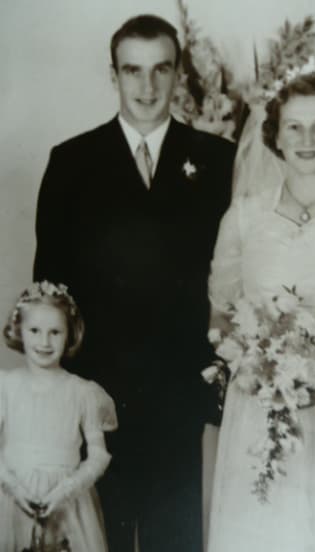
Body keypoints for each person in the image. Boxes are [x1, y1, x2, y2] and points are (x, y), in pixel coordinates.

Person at [33, 14, 236, 552]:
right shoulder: (71, 161)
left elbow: (237, 274)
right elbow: (50, 290)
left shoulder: (219, 161)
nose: (147, 87)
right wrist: (66, 390)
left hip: (181, 385)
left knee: (177, 535)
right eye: (133, 71)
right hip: (99, 391)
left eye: (160, 70)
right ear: (114, 75)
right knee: (104, 535)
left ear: (177, 75)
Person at [207, 69, 315, 552]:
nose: (307, 139)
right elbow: (220, 315)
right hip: (260, 409)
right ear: (274, 136)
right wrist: (256, 371)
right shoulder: (245, 215)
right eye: (293, 127)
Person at [0, 280, 117, 551]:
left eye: (55, 332)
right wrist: (15, 490)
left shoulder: (83, 391)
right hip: (12, 498)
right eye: (35, 331)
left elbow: (98, 454)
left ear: (69, 335)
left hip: (68, 502)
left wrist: (66, 491)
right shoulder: (5, 387)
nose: (44, 341)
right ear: (19, 330)